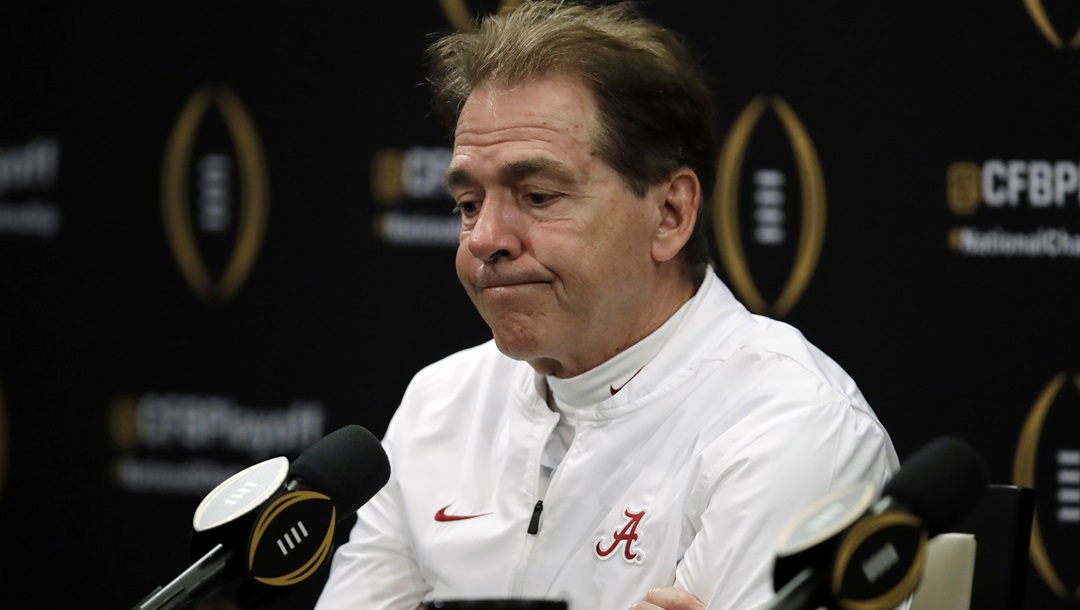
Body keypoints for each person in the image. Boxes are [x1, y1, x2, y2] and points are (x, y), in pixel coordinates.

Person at [315, 2, 900, 609]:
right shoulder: (440, 403)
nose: (485, 239)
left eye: (538, 195)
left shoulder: (793, 428)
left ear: (669, 213)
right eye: (467, 204)